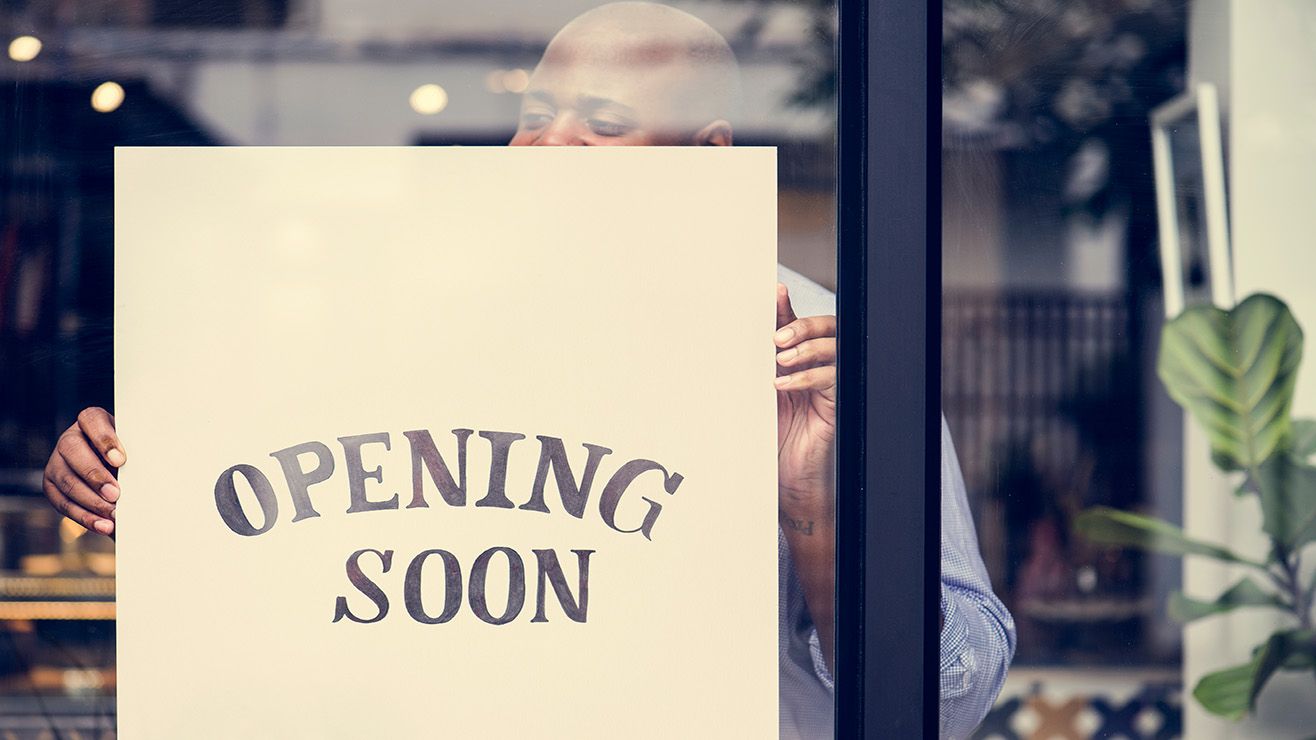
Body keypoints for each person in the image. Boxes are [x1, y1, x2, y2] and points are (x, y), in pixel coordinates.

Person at [41, 3, 1014, 737]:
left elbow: (948, 694)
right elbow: (298, 538)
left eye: (599, 122)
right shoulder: (400, 318)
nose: (544, 146)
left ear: (706, 159)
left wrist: (811, 503)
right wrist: (133, 464)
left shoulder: (820, 352)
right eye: (535, 114)